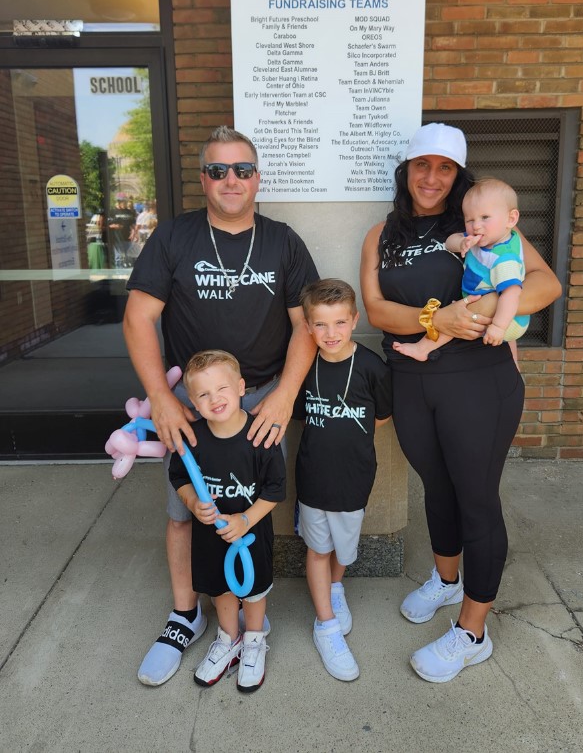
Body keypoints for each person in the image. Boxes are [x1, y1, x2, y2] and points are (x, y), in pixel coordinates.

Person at [360, 122, 561, 683]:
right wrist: (435, 318)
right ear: (406, 171)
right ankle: (447, 582)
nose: (432, 177)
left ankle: (473, 632)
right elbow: (375, 310)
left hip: (478, 378)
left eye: (444, 167)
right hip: (413, 378)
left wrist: (484, 310)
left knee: (476, 497)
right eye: (422, 165)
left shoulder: (484, 224)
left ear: (459, 175)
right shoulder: (382, 233)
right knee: (438, 487)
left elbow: (545, 285)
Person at [123, 125, 318, 686]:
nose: (230, 179)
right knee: (185, 510)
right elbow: (139, 316)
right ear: (202, 178)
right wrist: (161, 396)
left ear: (257, 178)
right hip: (193, 403)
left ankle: (248, 626)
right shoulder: (175, 237)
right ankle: (185, 615)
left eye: (241, 169)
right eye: (217, 170)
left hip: (260, 399)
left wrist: (283, 395)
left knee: (253, 505)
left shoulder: (283, 240)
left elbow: (305, 324)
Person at [168, 350, 285, 693]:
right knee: (220, 588)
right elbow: (180, 477)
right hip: (211, 535)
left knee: (252, 590)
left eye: (222, 388)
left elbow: (276, 489)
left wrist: (247, 519)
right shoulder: (194, 439)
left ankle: (252, 640)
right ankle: (228, 638)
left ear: (241, 387)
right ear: (192, 401)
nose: (214, 399)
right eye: (203, 394)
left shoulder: (259, 436)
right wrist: (191, 500)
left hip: (250, 534)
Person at [294, 279, 392, 682]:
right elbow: (297, 414)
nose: (330, 333)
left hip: (354, 478)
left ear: (354, 320)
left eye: (339, 322)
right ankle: (326, 625)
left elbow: (381, 418)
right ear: (307, 326)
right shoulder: (303, 367)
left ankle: (336, 589)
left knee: (342, 551)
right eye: (320, 324)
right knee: (317, 549)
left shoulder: (371, 368)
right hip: (313, 477)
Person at [393, 177, 528, 366]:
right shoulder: (487, 238)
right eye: (469, 220)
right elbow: (449, 242)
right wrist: (461, 243)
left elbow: (512, 295)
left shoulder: (504, 258)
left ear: (511, 219)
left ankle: (422, 348)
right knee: (456, 316)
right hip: (486, 303)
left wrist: (498, 326)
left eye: (485, 218)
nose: (476, 225)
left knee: (454, 320)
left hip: (508, 320)